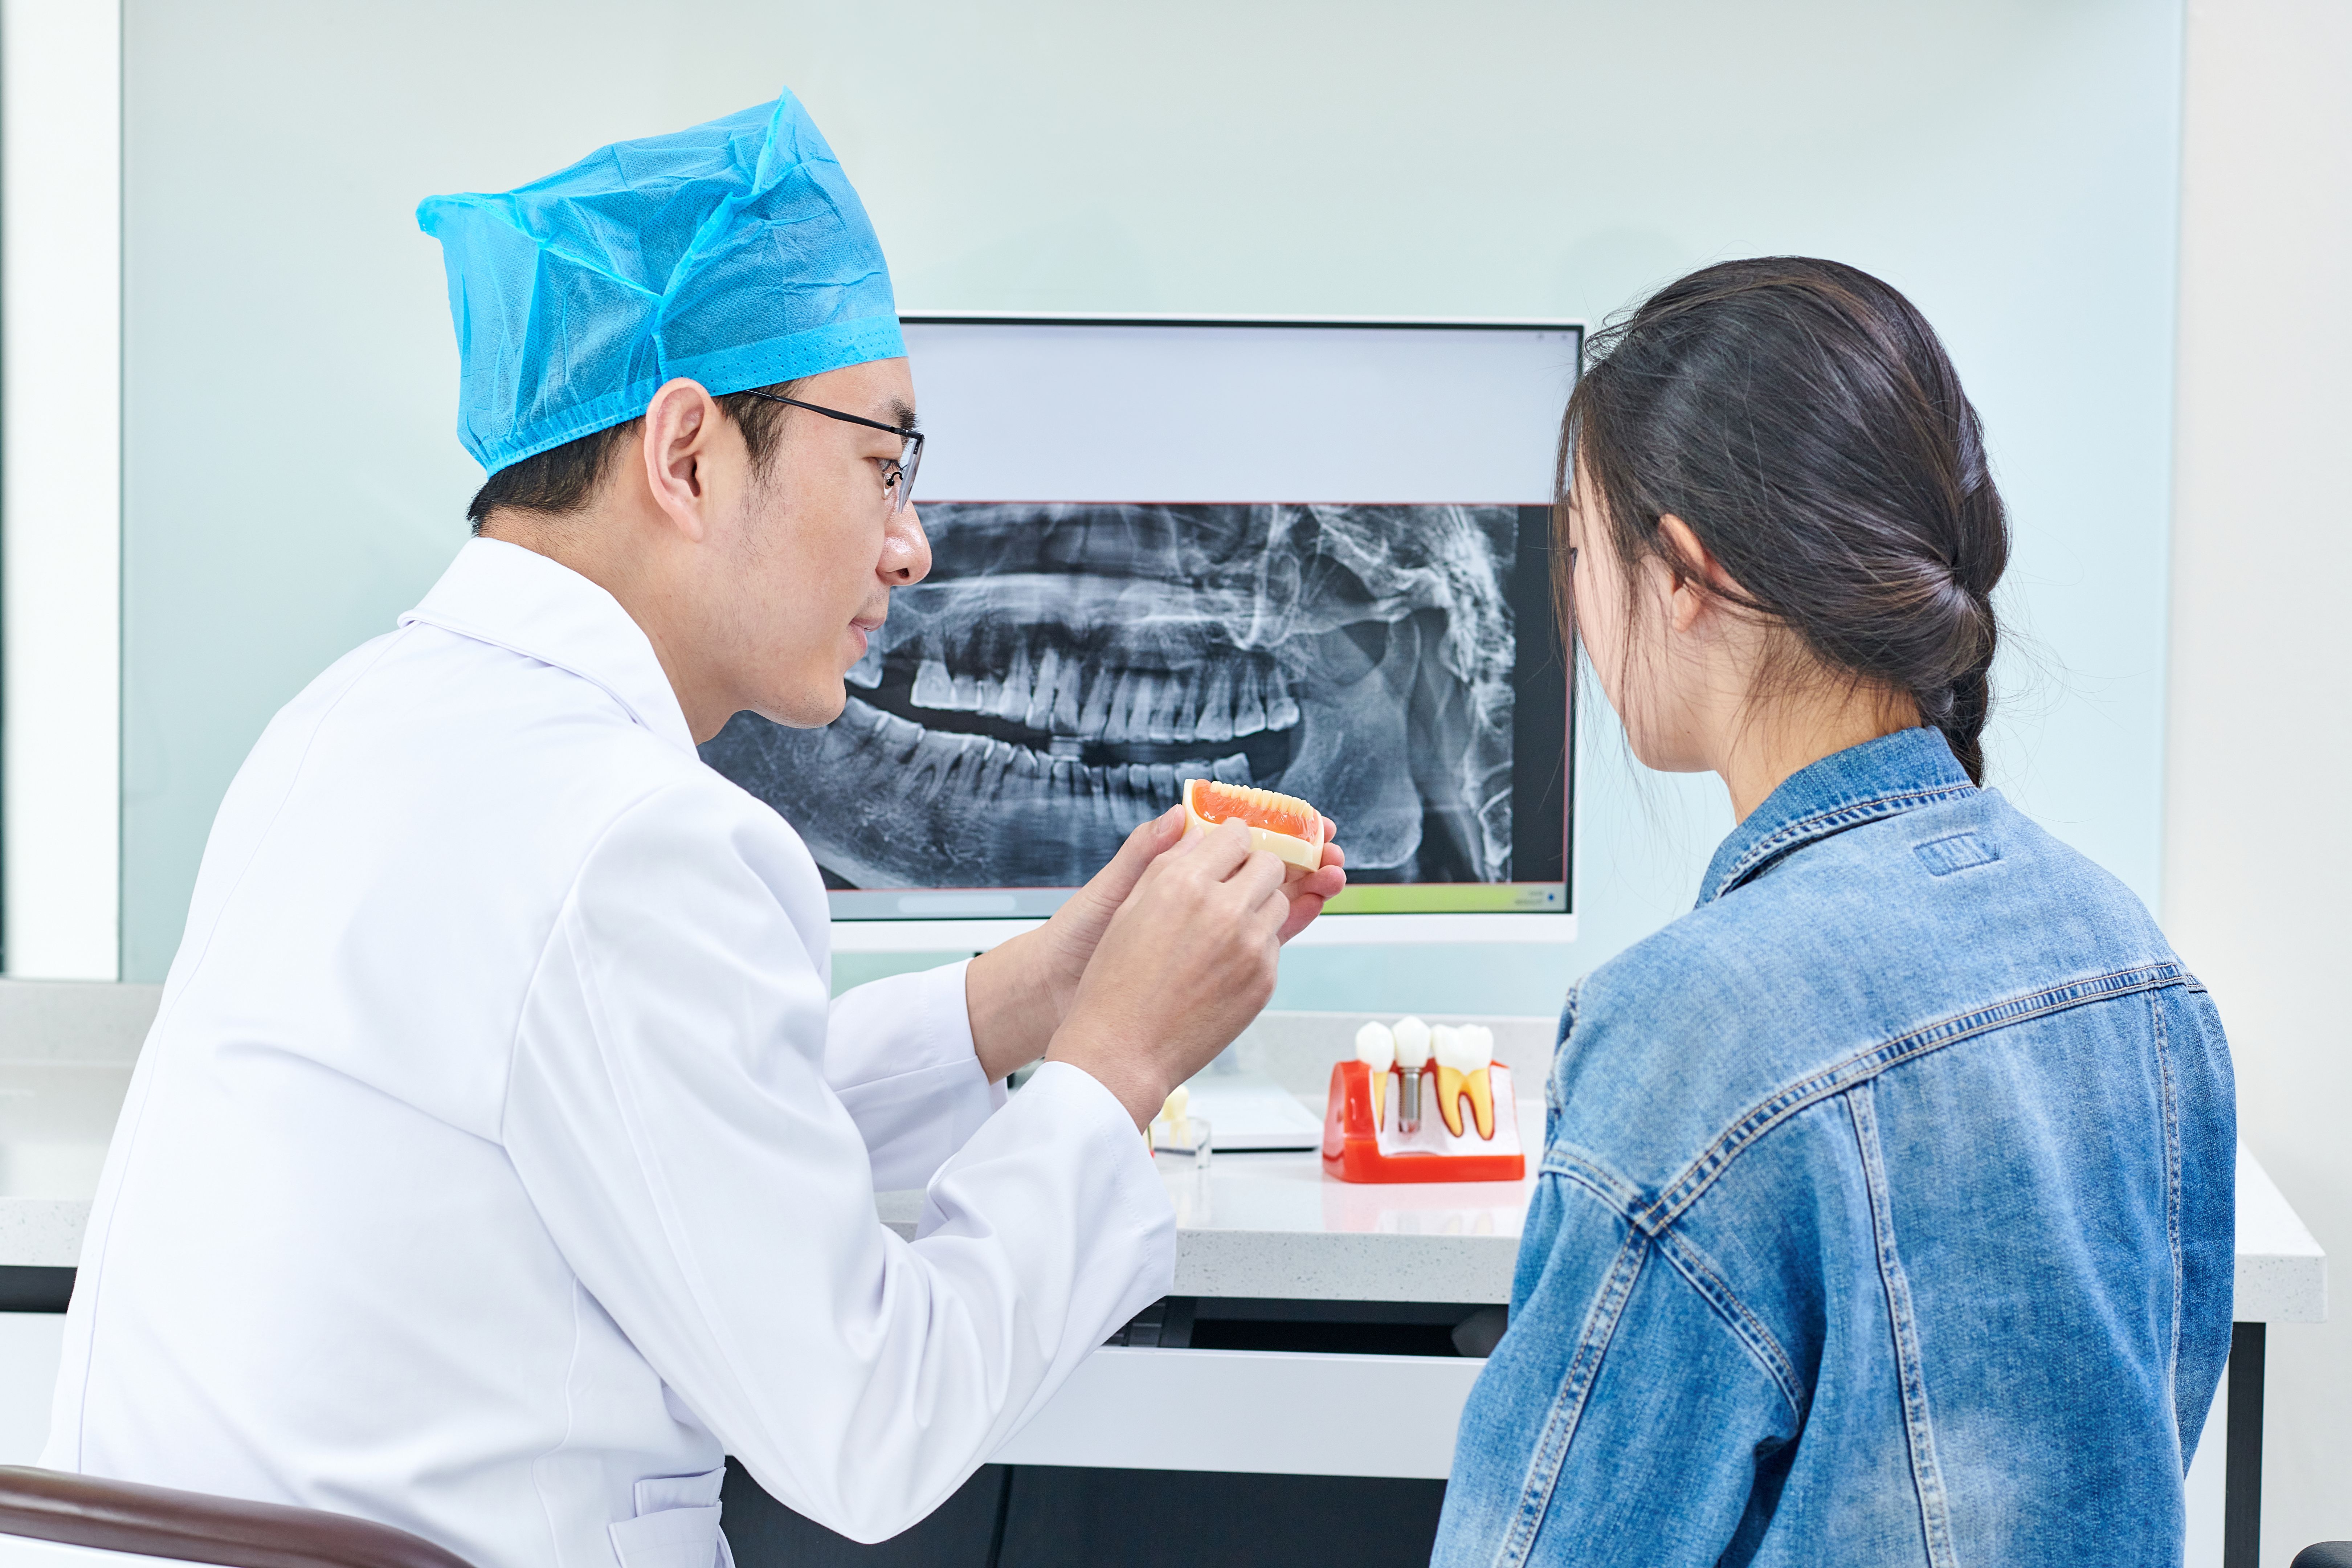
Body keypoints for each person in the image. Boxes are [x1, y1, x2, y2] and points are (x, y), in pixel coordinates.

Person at [41, 90, 1343, 1567]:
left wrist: (1033, 998)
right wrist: (1116, 1069)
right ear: (686, 455)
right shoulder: (629, 839)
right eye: (884, 462)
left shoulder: (356, 725)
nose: (912, 544)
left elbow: (641, 1131)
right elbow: (873, 1428)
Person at [1433, 259, 2231, 1566]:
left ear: (1684, 573)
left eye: (1578, 550)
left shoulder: (1694, 1027)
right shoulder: (2134, 963)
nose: (1571, 601)